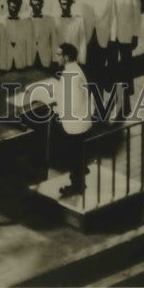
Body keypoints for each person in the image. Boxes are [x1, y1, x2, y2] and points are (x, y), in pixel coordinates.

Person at [51, 43, 93, 198]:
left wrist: (57, 110)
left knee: (73, 155)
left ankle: (77, 185)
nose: (56, 57)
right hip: (80, 120)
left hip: (75, 123)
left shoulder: (71, 74)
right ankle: (79, 179)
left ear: (66, 57)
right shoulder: (73, 69)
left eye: (59, 54)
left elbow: (73, 102)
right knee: (76, 153)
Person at [105, 0, 142, 118]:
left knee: (126, 67)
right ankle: (113, 97)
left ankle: (126, 100)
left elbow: (137, 15)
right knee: (112, 65)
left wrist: (135, 35)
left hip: (126, 34)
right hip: (111, 34)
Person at [79, 0, 116, 90]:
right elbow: (77, 15)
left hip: (102, 37)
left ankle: (98, 99)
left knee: (99, 69)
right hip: (86, 36)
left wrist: (112, 39)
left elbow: (113, 18)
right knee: (86, 70)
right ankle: (87, 98)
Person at [55, 0, 87, 66]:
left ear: (71, 4)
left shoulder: (79, 20)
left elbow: (82, 41)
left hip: (74, 58)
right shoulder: (55, 20)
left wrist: (82, 60)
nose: (66, 7)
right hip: (59, 60)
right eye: (63, 4)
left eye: (68, 4)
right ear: (60, 5)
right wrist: (55, 59)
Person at [4, 0, 34, 70]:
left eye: (16, 8)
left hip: (20, 62)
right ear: (7, 6)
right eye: (11, 7)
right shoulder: (1, 22)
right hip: (6, 62)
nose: (13, 10)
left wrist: (29, 63)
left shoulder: (25, 23)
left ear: (19, 8)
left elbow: (28, 44)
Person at [28, 0, 57, 69]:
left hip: (45, 58)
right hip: (30, 58)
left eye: (38, 5)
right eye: (33, 5)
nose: (35, 7)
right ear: (30, 5)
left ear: (42, 5)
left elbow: (54, 41)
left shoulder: (50, 20)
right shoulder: (25, 20)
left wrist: (55, 59)